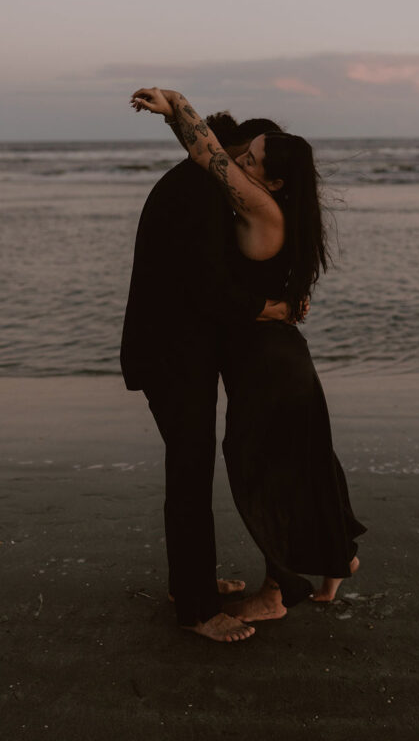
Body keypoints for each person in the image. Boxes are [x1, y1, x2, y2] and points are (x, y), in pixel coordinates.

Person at [130, 86, 366, 624]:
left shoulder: (259, 204)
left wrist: (176, 103)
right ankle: (335, 561)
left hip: (265, 364)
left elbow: (204, 151)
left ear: (273, 180)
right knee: (303, 461)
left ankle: (276, 594)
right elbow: (210, 152)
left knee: (265, 476)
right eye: (245, 152)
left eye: (252, 160)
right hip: (278, 357)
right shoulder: (289, 209)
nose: (239, 164)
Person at [120, 110, 291, 643]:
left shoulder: (196, 183)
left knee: (190, 467)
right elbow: (207, 288)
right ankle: (195, 609)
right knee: (190, 472)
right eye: (242, 160)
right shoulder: (196, 192)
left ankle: (187, 583)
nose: (243, 171)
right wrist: (272, 307)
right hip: (170, 353)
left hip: (171, 348)